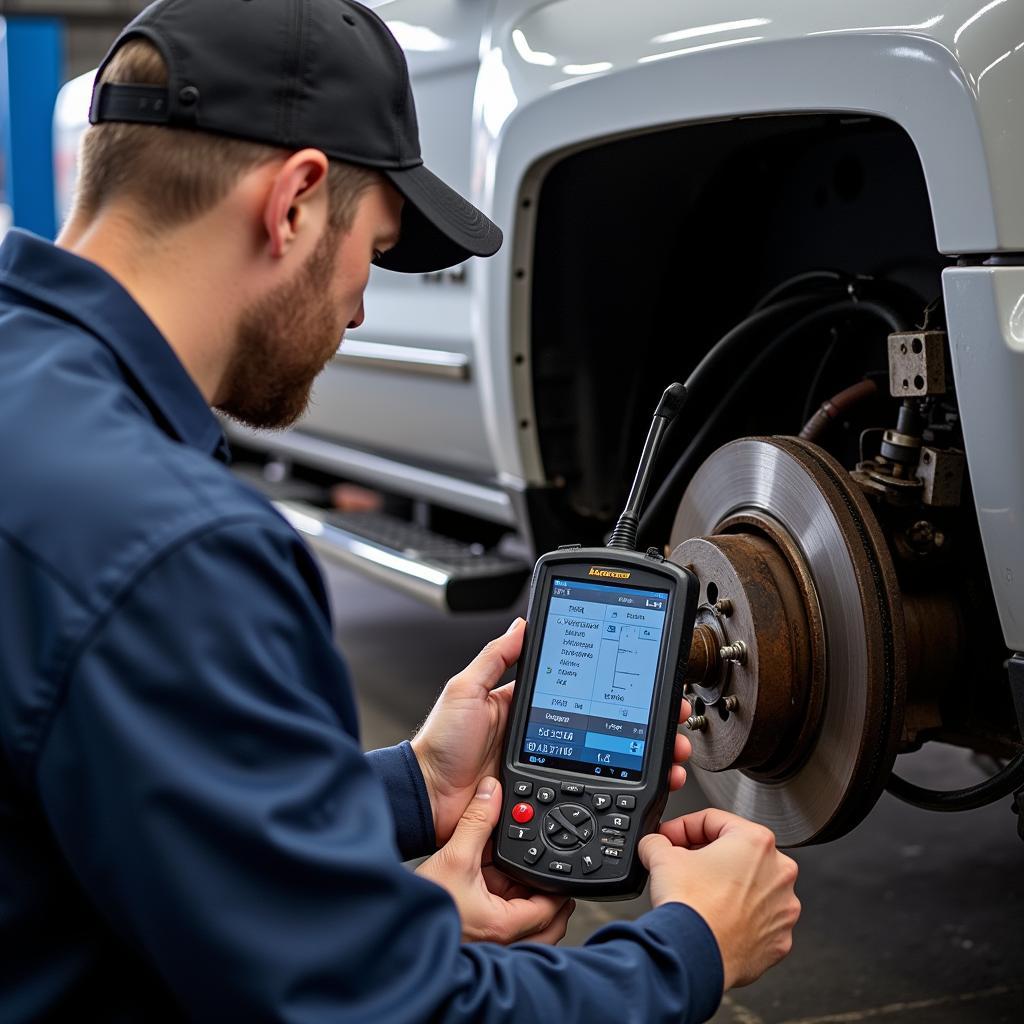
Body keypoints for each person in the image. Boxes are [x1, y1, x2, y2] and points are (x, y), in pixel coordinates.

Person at [0, 1, 800, 1021]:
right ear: (293, 202)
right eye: (372, 251)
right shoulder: (173, 548)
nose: (359, 309)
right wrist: (691, 946)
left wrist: (414, 786)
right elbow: (378, 1010)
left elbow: (108, 820)